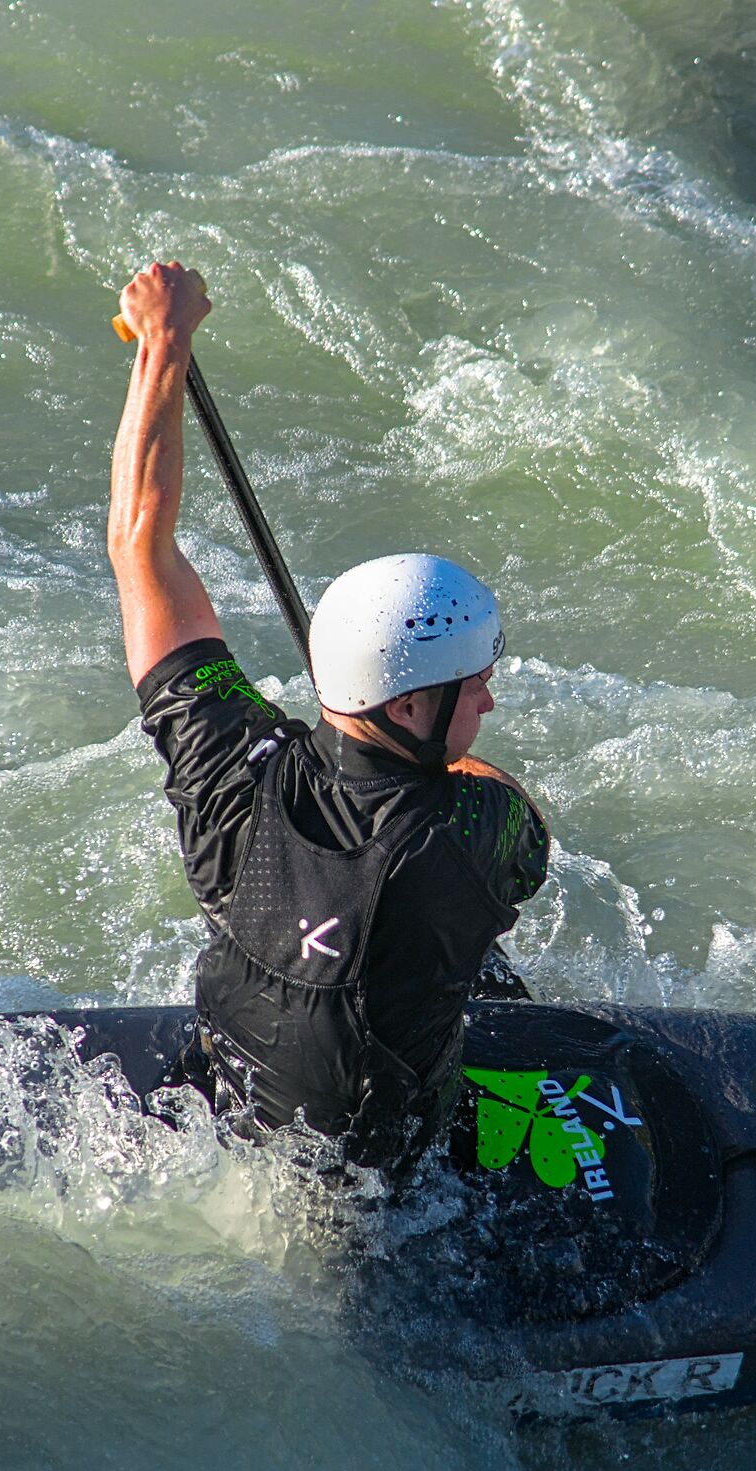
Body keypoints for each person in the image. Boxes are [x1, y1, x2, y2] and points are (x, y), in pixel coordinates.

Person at [107, 260, 550, 1170]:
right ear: (414, 702)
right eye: (475, 686)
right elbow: (525, 837)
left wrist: (162, 342)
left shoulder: (226, 761)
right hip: (391, 1208)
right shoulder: (464, 835)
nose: (490, 699)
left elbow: (138, 539)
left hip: (233, 1129)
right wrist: (459, 770)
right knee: (497, 980)